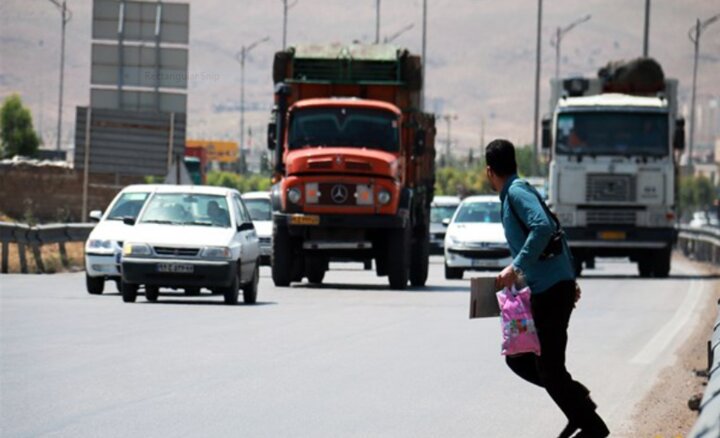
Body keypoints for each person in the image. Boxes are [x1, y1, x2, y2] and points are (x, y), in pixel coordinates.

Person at [485, 139, 609, 438]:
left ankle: (591, 425)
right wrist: (569, 277)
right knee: (524, 360)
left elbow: (544, 227)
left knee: (549, 369)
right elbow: (557, 233)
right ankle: (579, 407)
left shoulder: (515, 192)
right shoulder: (518, 191)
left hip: (551, 292)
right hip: (550, 288)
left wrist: (516, 267)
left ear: (490, 171)